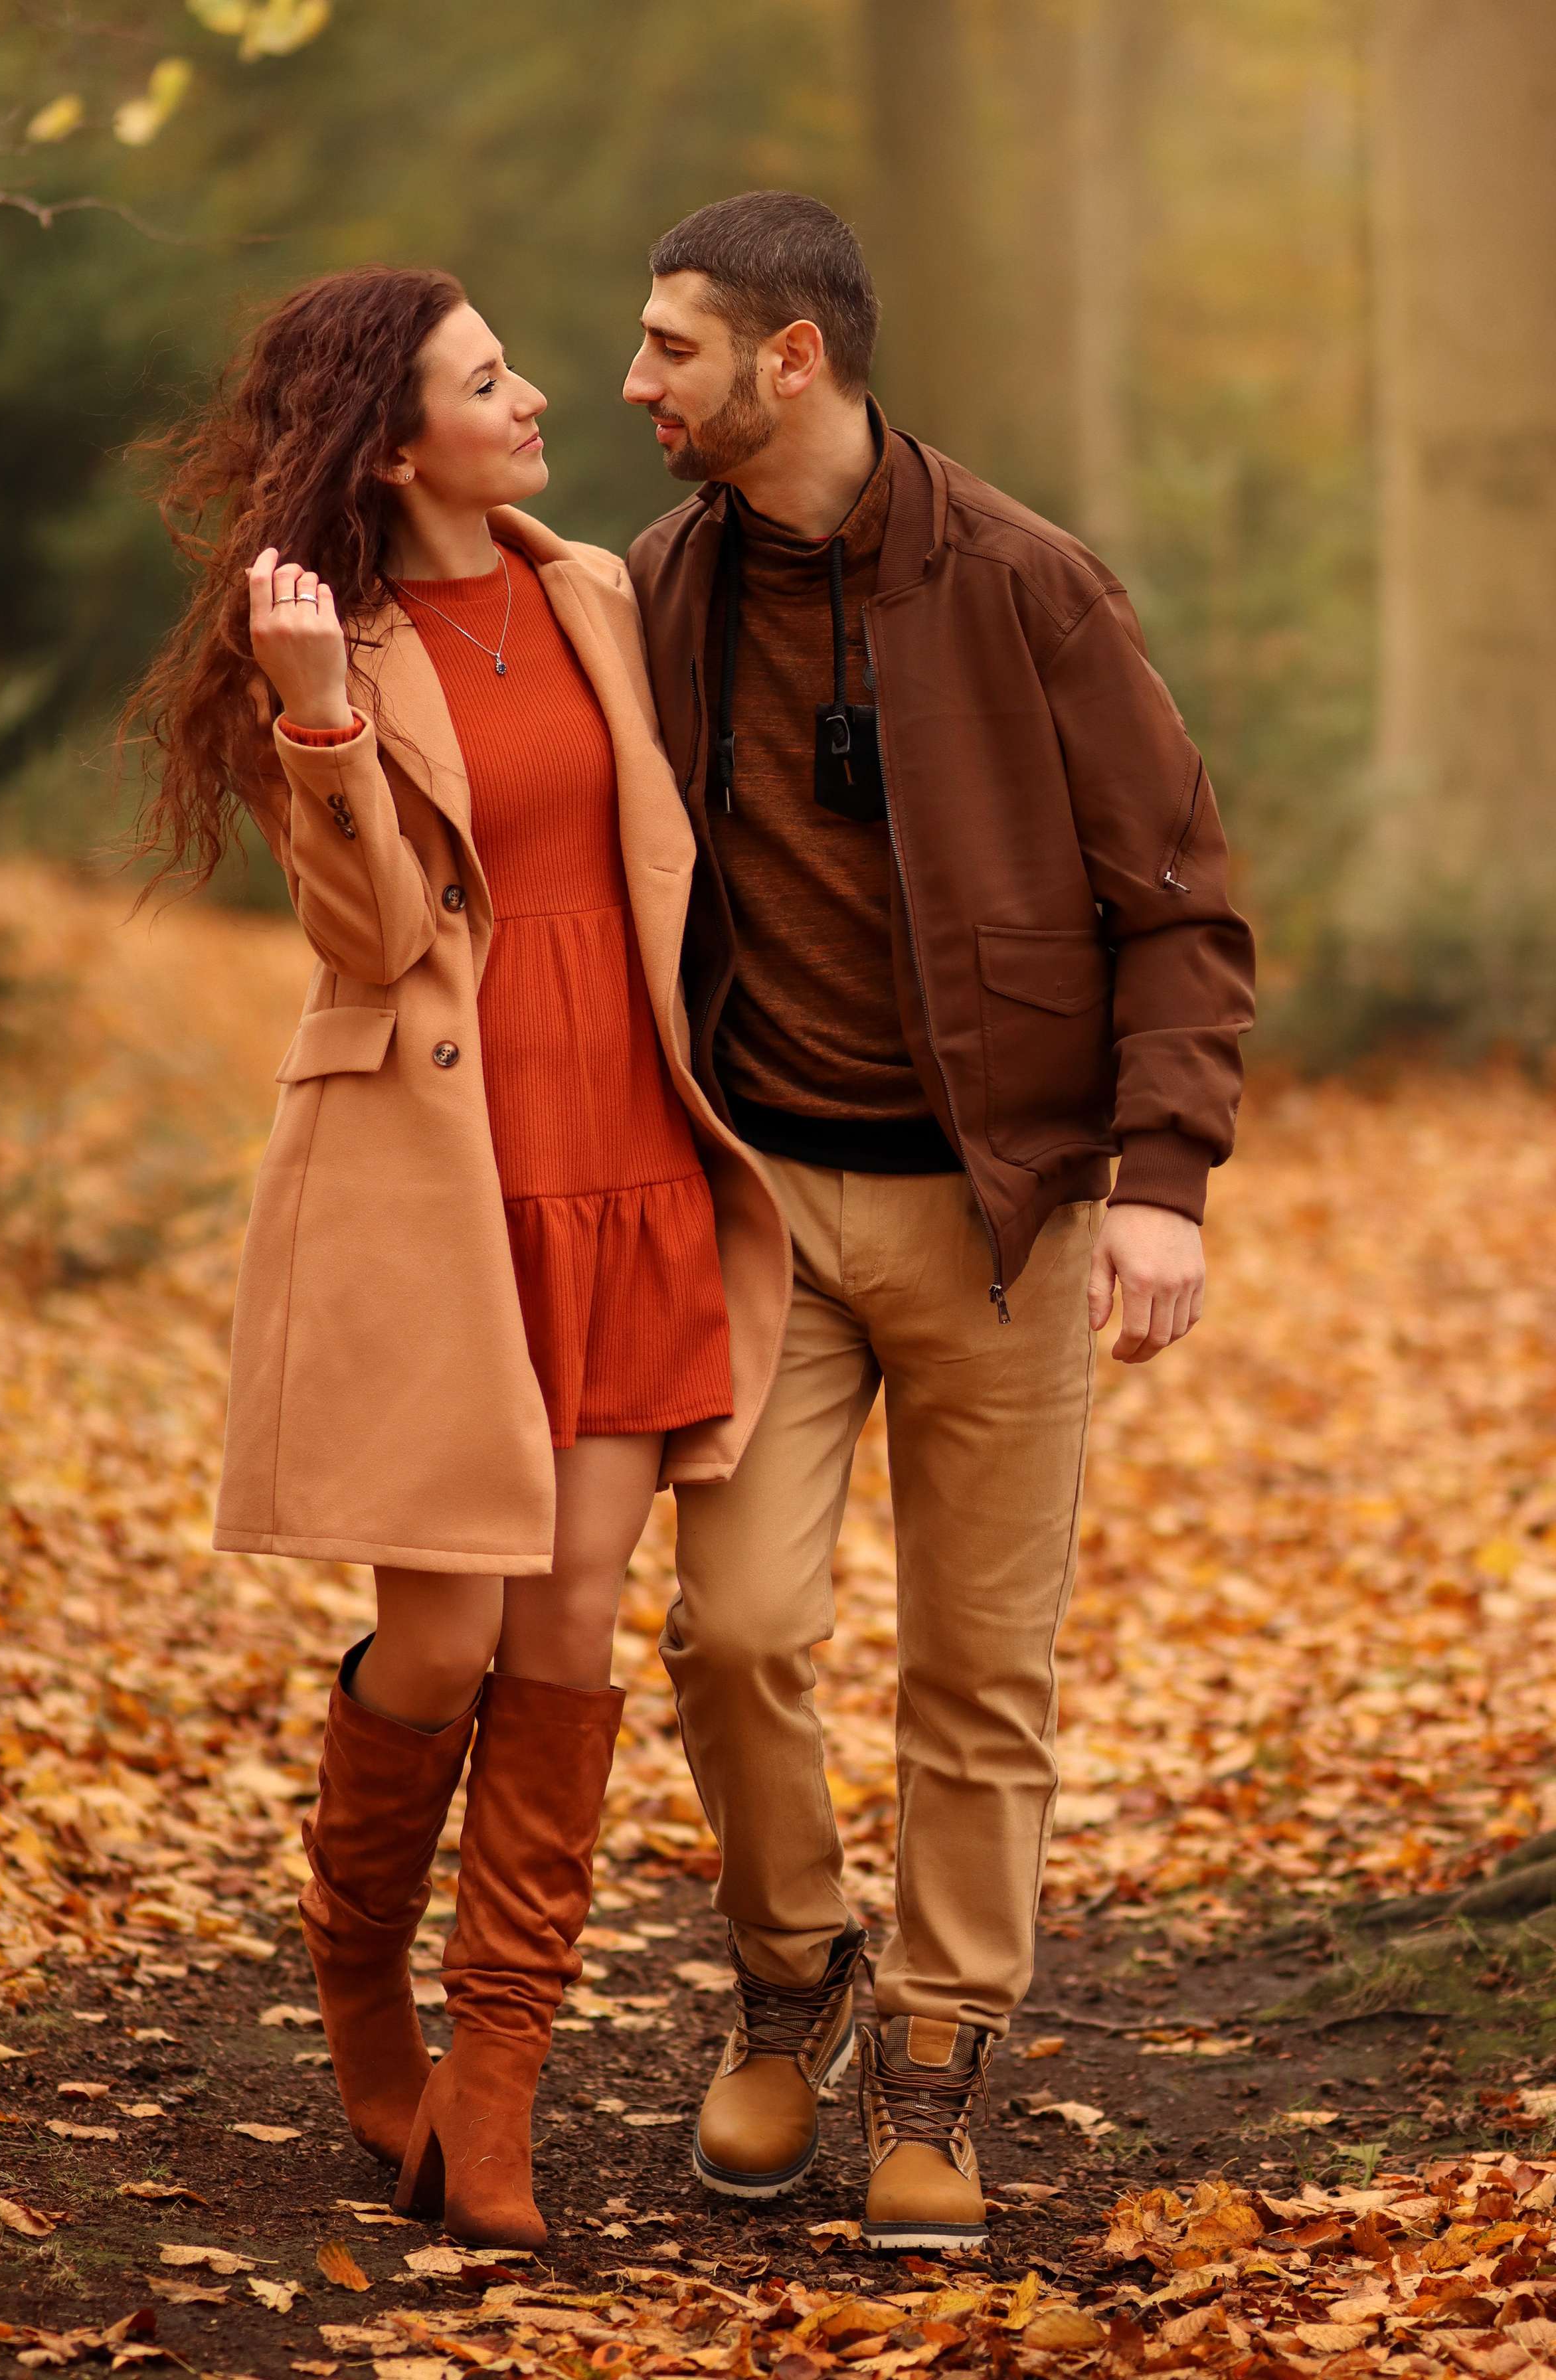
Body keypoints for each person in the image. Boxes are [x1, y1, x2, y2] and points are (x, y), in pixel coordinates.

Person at [124, 264, 788, 2250]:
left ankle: (495, 2077)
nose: (537, 399)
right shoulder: (316, 643)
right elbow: (373, 941)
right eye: (489, 382)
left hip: (631, 1158)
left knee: (571, 1633)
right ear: (394, 440)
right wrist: (324, 720)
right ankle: (359, 1985)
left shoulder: (593, 588)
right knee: (441, 1644)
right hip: (452, 1180)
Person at [621, 193, 1256, 2251]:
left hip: (1006, 1225)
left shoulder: (1027, 584)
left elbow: (1183, 906)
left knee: (984, 1684)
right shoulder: (660, 587)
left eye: (669, 349)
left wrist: (1162, 1186)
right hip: (765, 1208)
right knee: (734, 1634)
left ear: (787, 360)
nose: (634, 385)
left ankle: (943, 2062)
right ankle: (789, 1983)